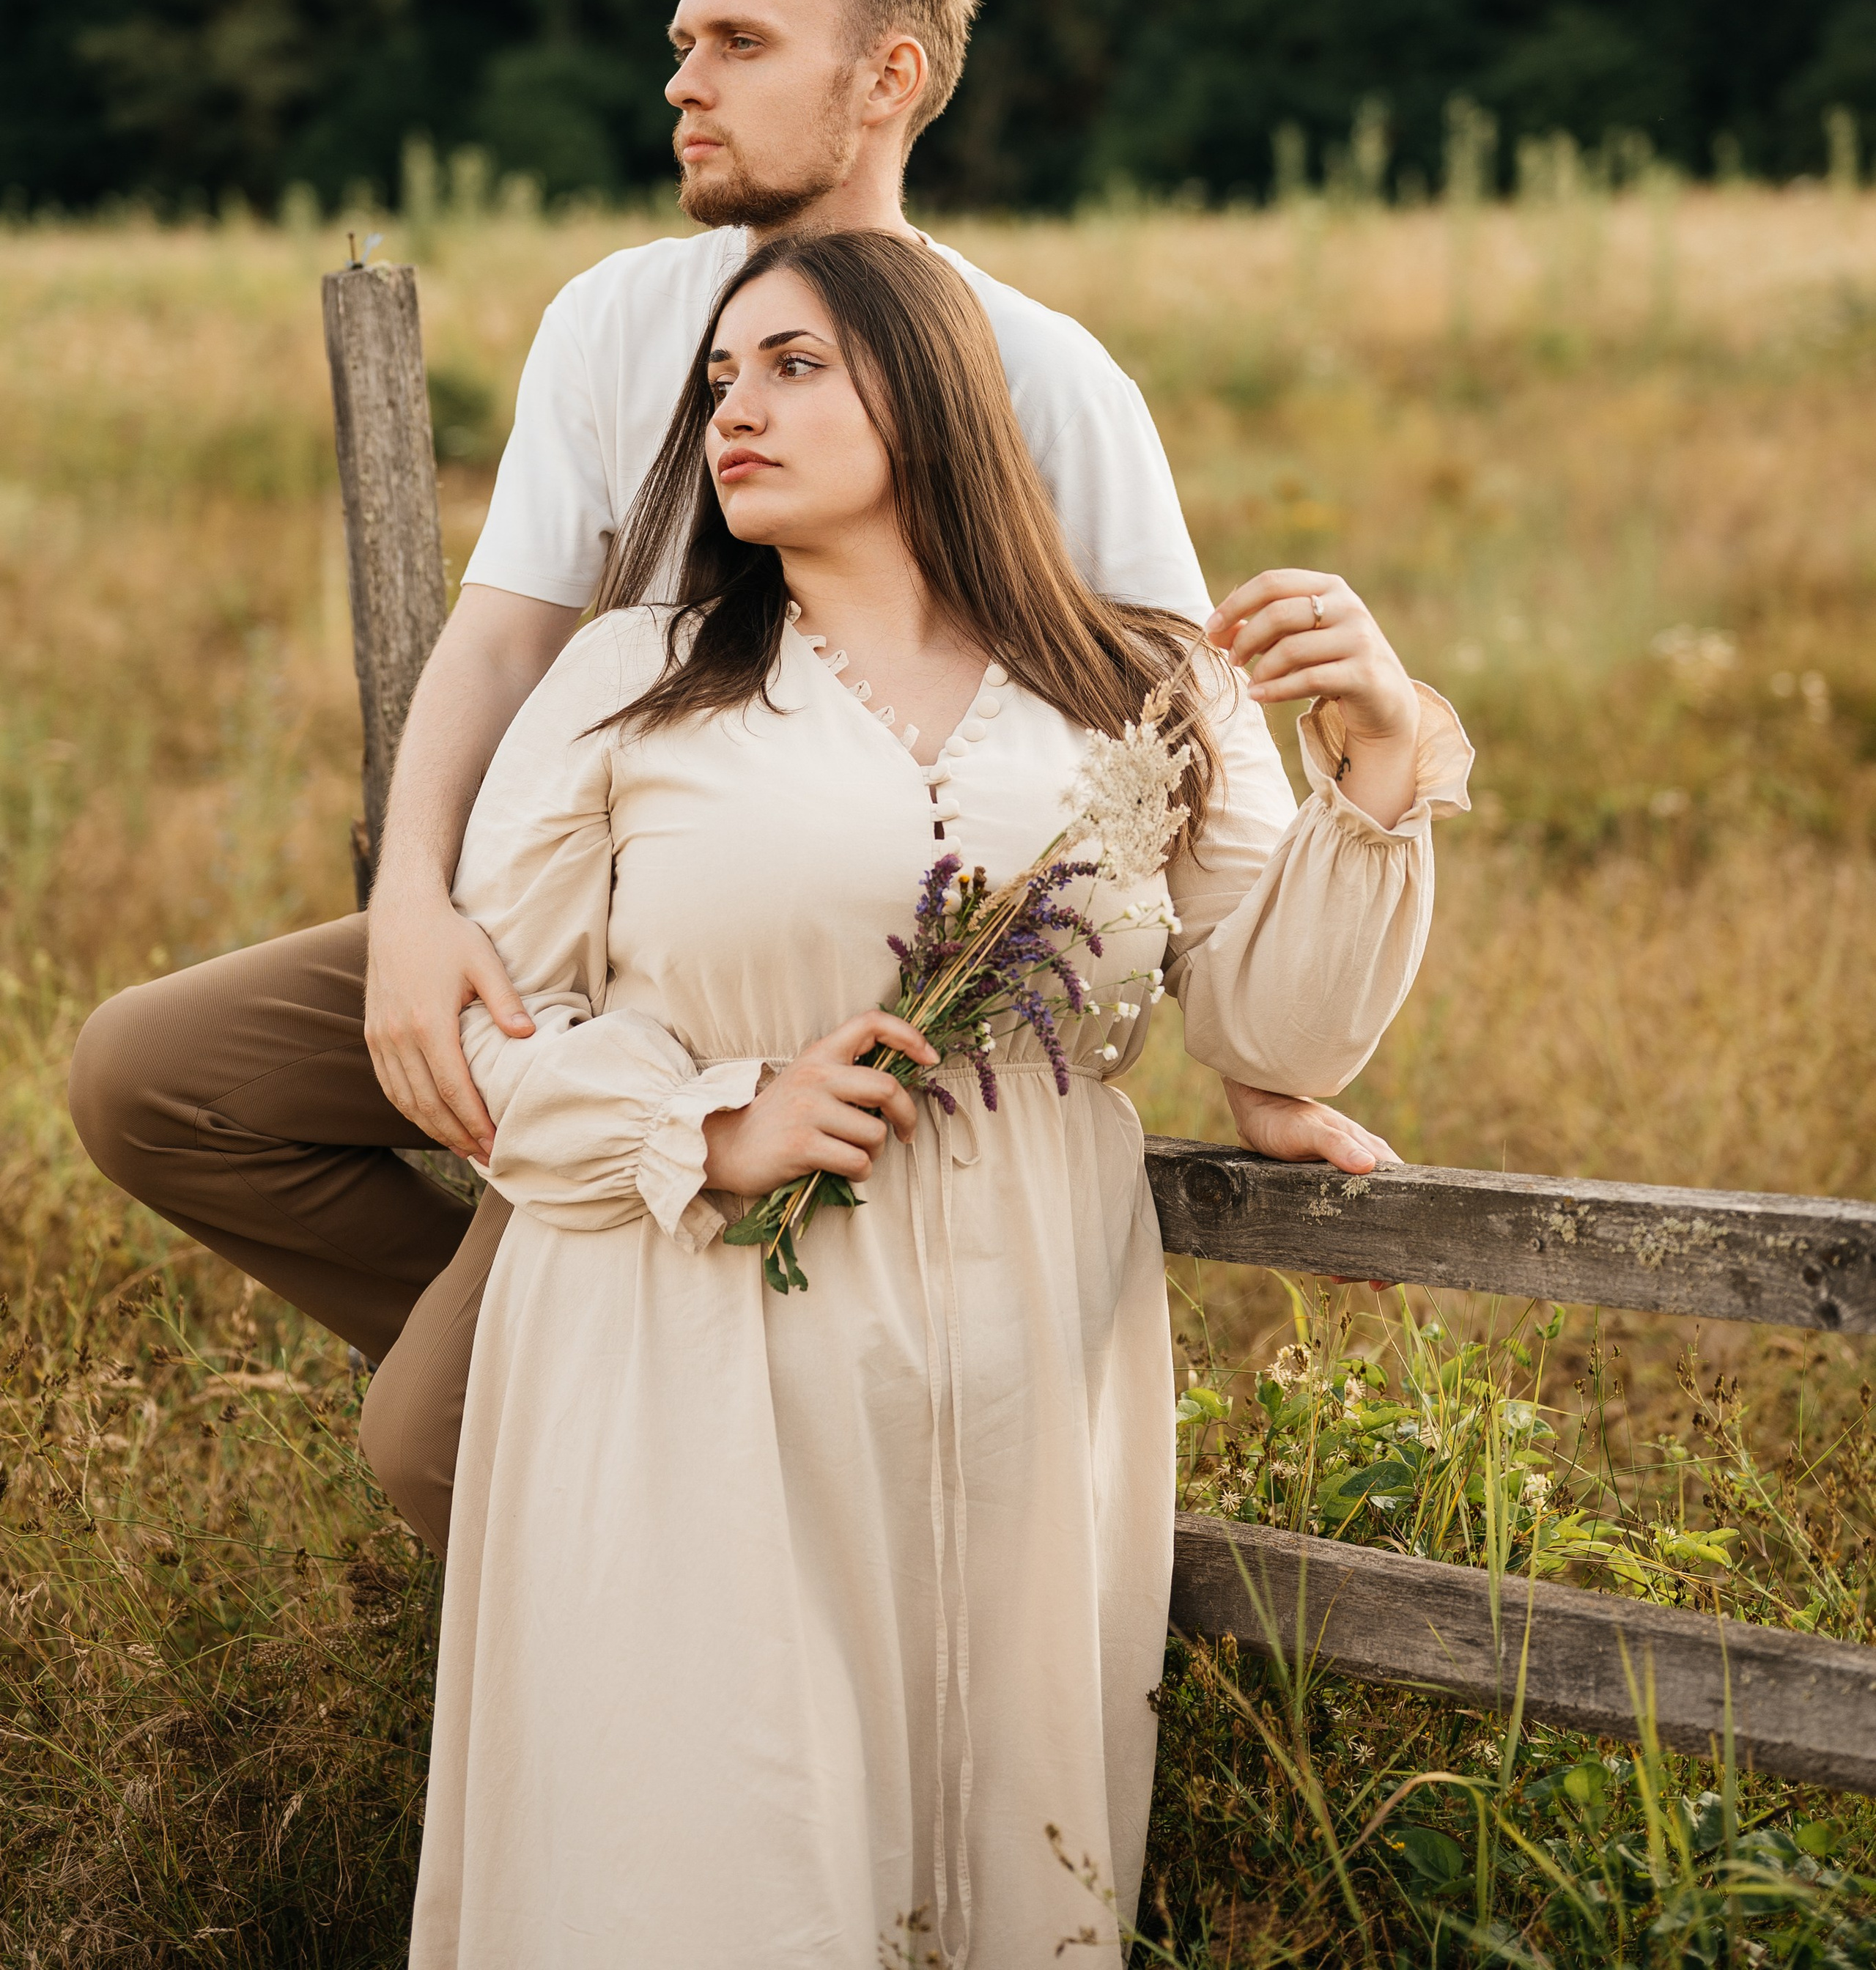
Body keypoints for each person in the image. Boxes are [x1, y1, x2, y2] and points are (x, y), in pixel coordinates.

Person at [67, 0, 1406, 1558]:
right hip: (567, 926)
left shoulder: (1040, 372)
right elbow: (489, 649)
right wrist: (413, 909)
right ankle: (634, 1340)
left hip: (807, 958)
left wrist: (1259, 1057)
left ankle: (615, 1375)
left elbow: (1173, 742)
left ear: (888, 79)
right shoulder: (615, 316)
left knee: (431, 1441)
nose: (682, 81)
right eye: (682, 41)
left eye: (738, 42)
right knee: (153, 1077)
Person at [403, 227, 1469, 1967]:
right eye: (719, 378)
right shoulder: (632, 681)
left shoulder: (1148, 689)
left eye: (793, 366)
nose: (733, 407)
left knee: (998, 1855)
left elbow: (1283, 1023)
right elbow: (484, 1038)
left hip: (1029, 1365)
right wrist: (707, 1125)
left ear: (936, 390)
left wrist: (1369, 747)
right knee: (720, 1856)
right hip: (694, 1345)